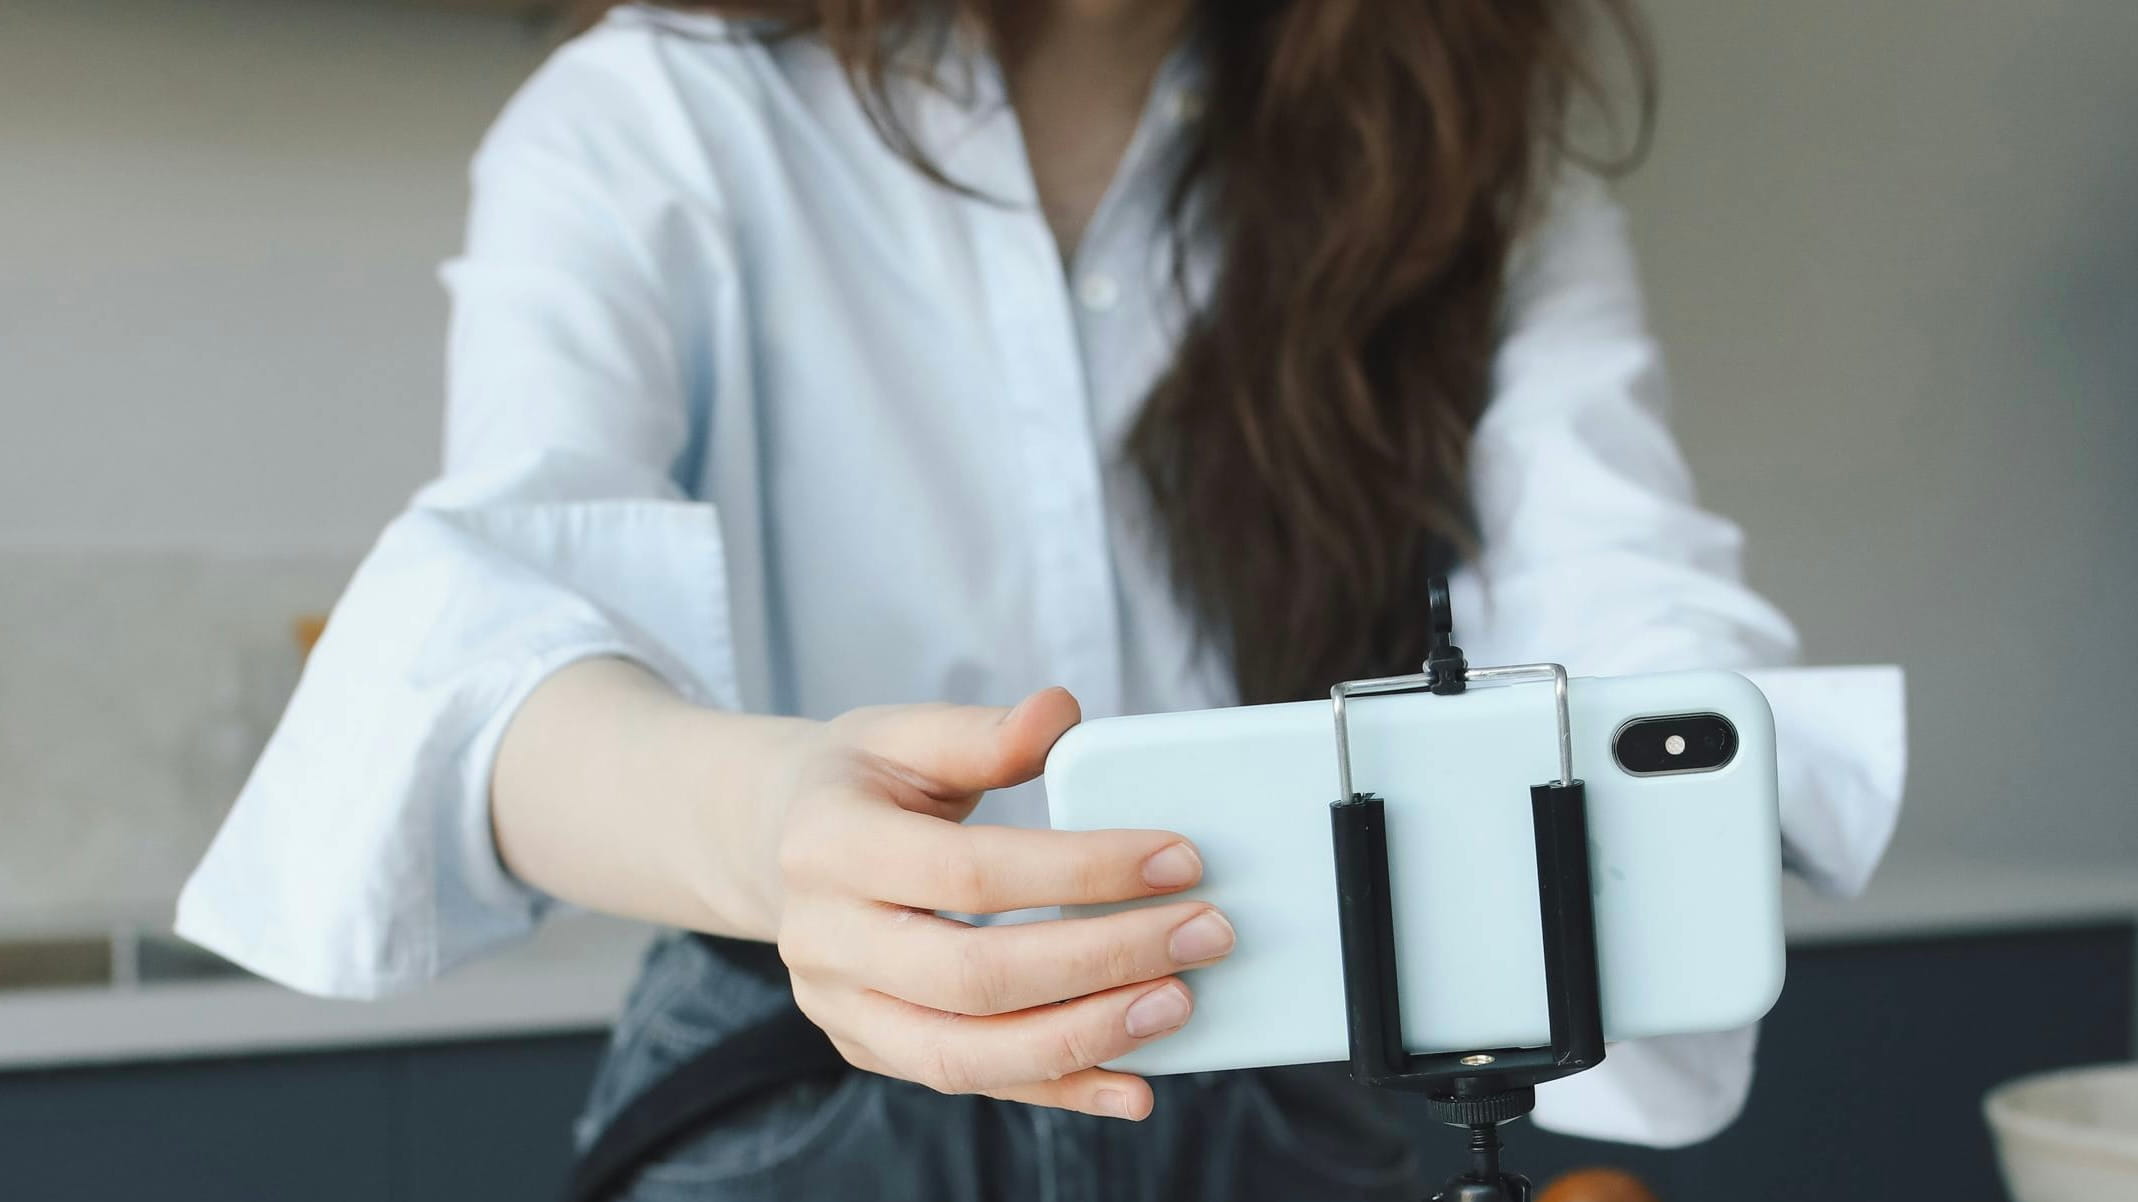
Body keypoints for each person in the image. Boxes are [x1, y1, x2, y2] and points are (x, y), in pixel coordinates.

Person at [177, 1, 1905, 1198]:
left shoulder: (1456, 153)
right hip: (801, 1101)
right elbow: (487, 644)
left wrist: (1664, 791)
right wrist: (777, 827)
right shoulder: (657, 113)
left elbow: (1630, 598)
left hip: (1292, 1096)